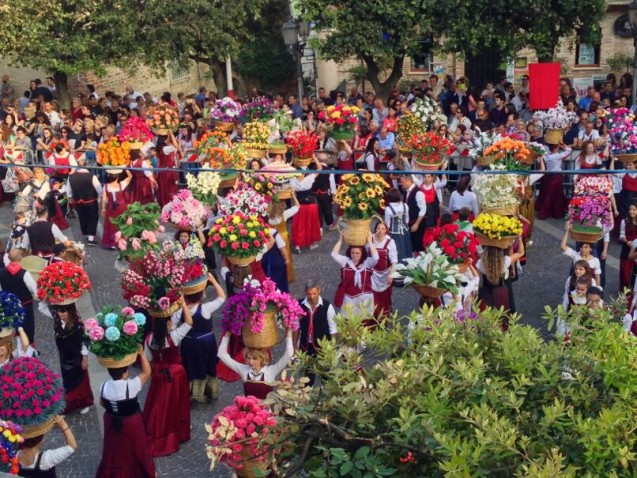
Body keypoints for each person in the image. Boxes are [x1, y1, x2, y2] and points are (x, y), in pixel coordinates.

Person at [95, 346, 156, 478]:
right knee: (136, 448)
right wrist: (142, 354)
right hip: (131, 422)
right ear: (124, 373)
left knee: (114, 450)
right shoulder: (131, 385)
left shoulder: (103, 386)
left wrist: (114, 410)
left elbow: (102, 403)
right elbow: (147, 372)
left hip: (111, 421)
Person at [143, 298, 193, 457]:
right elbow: (189, 322)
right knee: (177, 404)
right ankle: (178, 431)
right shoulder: (175, 336)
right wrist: (184, 304)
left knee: (157, 404)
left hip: (158, 373)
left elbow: (149, 359)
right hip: (176, 375)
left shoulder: (149, 338)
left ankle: (155, 431)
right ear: (167, 323)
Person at [179, 273, 226, 403]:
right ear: (201, 294)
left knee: (190, 365)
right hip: (206, 342)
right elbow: (222, 298)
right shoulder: (205, 308)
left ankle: (190, 391)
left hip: (188, 342)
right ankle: (205, 391)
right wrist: (213, 281)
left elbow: (172, 326)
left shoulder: (180, 310)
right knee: (206, 364)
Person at [218, 328, 294, 400]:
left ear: (262, 359)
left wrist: (288, 333)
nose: (251, 362)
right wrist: (227, 334)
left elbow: (289, 354)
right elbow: (221, 354)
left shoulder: (270, 371)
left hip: (266, 412)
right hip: (248, 411)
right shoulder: (244, 370)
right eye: (248, 358)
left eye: (254, 359)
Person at [293, 280, 338, 385]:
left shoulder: (327, 307)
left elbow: (333, 329)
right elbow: (296, 326)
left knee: (326, 376)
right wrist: (294, 345)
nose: (312, 296)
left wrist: (332, 349)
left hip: (323, 347)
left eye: (314, 293)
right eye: (309, 294)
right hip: (306, 346)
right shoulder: (298, 305)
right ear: (305, 292)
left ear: (319, 290)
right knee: (307, 376)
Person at [52, 302, 93, 415]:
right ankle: (69, 404)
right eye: (58, 311)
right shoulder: (57, 322)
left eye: (63, 311)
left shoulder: (78, 325)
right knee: (68, 383)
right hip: (64, 359)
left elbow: (85, 341)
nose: (59, 314)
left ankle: (85, 403)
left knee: (80, 382)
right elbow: (43, 306)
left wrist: (85, 358)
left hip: (76, 358)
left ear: (70, 311)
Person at [331, 231, 379, 316]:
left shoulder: (367, 263)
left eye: (357, 253)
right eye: (352, 253)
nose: (354, 255)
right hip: (349, 299)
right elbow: (334, 254)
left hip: (364, 299)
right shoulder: (345, 261)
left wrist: (370, 242)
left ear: (362, 254)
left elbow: (376, 258)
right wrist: (341, 240)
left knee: (364, 323)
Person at [0, 250, 38, 343]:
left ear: (9, 258)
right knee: (27, 327)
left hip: (9, 305)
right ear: (20, 258)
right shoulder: (24, 273)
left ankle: (13, 347)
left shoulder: (1, 272)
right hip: (25, 305)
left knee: (12, 327)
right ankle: (28, 348)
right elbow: (34, 289)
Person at [66, 157, 101, 245]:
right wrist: (100, 198)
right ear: (87, 166)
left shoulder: (71, 177)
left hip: (78, 201)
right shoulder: (91, 176)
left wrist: (70, 198)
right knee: (92, 218)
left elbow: (68, 190)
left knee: (82, 218)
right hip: (91, 201)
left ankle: (85, 234)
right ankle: (91, 238)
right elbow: (99, 189)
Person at [535, 142, 572, 220]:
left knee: (547, 193)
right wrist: (564, 146)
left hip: (547, 176)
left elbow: (538, 161)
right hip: (556, 176)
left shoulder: (546, 156)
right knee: (556, 194)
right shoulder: (558, 156)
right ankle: (555, 211)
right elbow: (569, 150)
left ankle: (544, 209)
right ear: (556, 148)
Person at [369, 221, 397, 319]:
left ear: (386, 231)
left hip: (385, 275)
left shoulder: (390, 242)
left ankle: (385, 313)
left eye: (383, 228)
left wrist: (391, 275)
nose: (380, 231)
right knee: (373, 295)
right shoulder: (370, 240)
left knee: (385, 296)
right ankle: (374, 313)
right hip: (372, 274)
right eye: (378, 228)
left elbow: (394, 262)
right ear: (375, 230)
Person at [268, 196, 299, 284]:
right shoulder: (284, 214)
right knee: (286, 256)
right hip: (283, 237)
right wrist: (293, 196)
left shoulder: (267, 216)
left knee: (274, 257)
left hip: (272, 238)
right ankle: (288, 276)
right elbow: (297, 206)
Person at [101, 170, 132, 249]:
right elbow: (130, 176)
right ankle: (121, 241)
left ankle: (112, 243)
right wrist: (124, 168)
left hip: (111, 207)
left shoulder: (106, 186)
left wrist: (103, 208)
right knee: (122, 223)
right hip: (121, 206)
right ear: (117, 178)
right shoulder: (122, 184)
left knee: (111, 224)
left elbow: (104, 199)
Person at [384, 187, 412, 261]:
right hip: (405, 232)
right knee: (406, 249)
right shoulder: (405, 206)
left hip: (394, 233)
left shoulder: (388, 209)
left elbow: (388, 224)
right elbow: (407, 219)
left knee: (397, 251)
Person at [401, 174, 426, 254]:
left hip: (417, 223)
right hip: (410, 222)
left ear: (408, 181)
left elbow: (423, 209)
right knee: (411, 244)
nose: (402, 184)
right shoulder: (406, 191)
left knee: (418, 244)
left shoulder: (418, 193)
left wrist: (416, 224)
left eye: (403, 182)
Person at [155, 132, 180, 207]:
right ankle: (170, 205)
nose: (168, 140)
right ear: (164, 140)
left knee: (165, 189)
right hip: (167, 173)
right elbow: (176, 147)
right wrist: (172, 134)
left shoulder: (164, 148)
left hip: (164, 172)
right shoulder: (165, 148)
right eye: (167, 138)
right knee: (170, 189)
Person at [620, 203, 637, 291]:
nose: (631, 211)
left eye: (634, 210)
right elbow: (622, 235)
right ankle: (624, 292)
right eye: (630, 209)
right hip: (627, 248)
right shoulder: (625, 221)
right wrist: (627, 242)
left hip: (636, 250)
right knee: (625, 272)